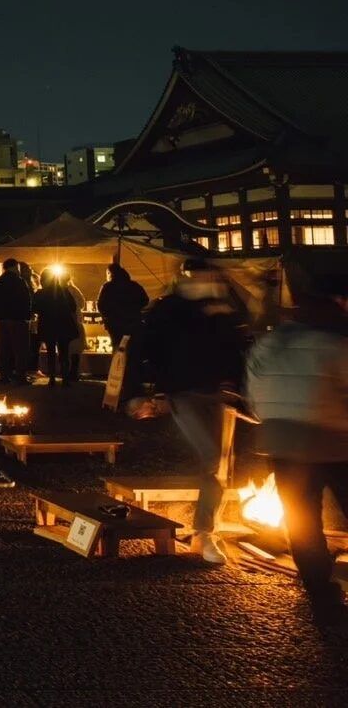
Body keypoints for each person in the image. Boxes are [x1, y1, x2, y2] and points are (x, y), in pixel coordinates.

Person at [246, 261, 348, 621]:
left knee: (302, 521)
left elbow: (253, 393)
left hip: (281, 440)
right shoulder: (335, 343)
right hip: (333, 439)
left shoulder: (269, 344)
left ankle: (321, 597)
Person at [130, 258, 247, 565]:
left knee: (219, 464)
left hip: (220, 394)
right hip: (183, 393)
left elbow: (236, 347)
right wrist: (140, 392)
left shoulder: (222, 307)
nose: (208, 280)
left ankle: (206, 531)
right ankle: (205, 532)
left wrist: (233, 382)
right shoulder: (168, 309)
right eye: (202, 275)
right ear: (186, 277)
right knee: (211, 458)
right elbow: (144, 349)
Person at [0, 258, 35, 385]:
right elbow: (27, 300)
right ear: (14, 267)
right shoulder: (20, 282)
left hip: (1, 320)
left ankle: (4, 376)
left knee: (4, 349)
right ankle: (20, 376)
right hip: (18, 320)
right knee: (20, 349)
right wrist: (27, 315)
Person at [33, 269, 83, 386]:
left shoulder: (40, 293)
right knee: (63, 352)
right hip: (63, 325)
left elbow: (34, 309)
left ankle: (52, 378)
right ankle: (65, 378)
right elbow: (72, 307)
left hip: (47, 325)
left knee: (51, 352)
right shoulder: (64, 292)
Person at [97, 263, 149, 353]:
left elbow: (101, 305)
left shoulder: (108, 287)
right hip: (133, 322)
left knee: (118, 349)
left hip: (115, 324)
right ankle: (129, 366)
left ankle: (118, 365)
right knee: (132, 349)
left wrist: (107, 317)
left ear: (110, 273)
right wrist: (134, 309)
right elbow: (145, 300)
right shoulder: (134, 285)